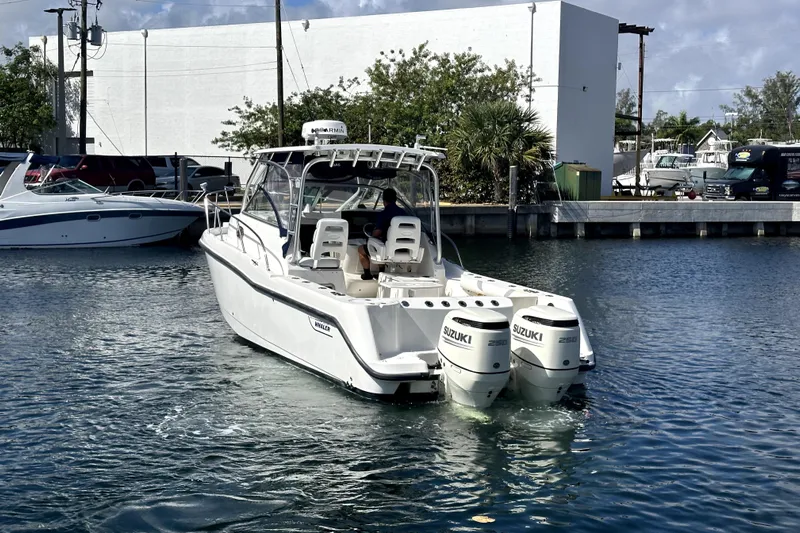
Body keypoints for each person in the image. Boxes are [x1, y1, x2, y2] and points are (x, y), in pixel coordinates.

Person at [358, 187, 406, 280]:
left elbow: (377, 233)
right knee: (381, 244)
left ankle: (367, 274)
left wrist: (371, 234)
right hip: (403, 248)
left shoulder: (383, 214)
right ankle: (381, 273)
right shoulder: (404, 212)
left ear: (384, 200)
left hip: (388, 248)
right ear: (395, 199)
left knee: (362, 249)